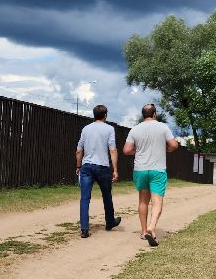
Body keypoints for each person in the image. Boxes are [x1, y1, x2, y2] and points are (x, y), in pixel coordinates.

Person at [123, 103, 178, 246]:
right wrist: (165, 150)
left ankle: (143, 231)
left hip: (140, 169)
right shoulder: (163, 127)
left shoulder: (135, 129)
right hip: (157, 169)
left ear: (143, 115)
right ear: (154, 114)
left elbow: (127, 150)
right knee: (157, 201)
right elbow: (174, 145)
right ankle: (151, 227)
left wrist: (139, 151)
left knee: (142, 201)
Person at [75, 104, 121, 238]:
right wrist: (115, 169)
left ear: (94, 115)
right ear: (105, 115)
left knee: (85, 198)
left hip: (87, 167)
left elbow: (79, 150)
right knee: (106, 195)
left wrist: (78, 166)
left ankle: (84, 229)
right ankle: (110, 222)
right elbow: (113, 149)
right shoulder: (109, 129)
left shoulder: (86, 129)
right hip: (102, 167)